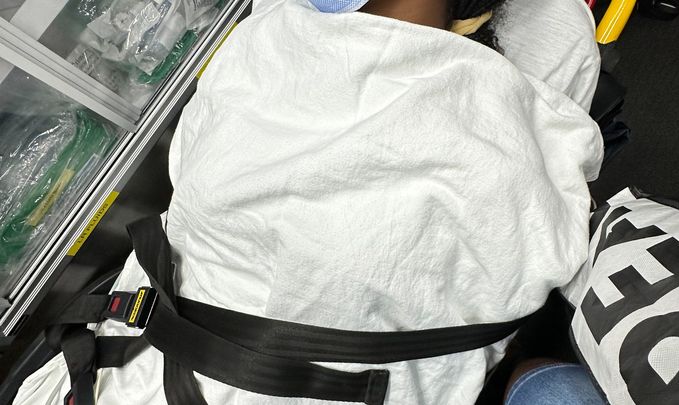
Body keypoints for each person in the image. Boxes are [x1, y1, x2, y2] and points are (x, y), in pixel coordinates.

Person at [14, 0, 603, 404]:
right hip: (142, 362)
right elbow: (536, 246)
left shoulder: (263, 46)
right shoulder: (268, 45)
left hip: (126, 368)